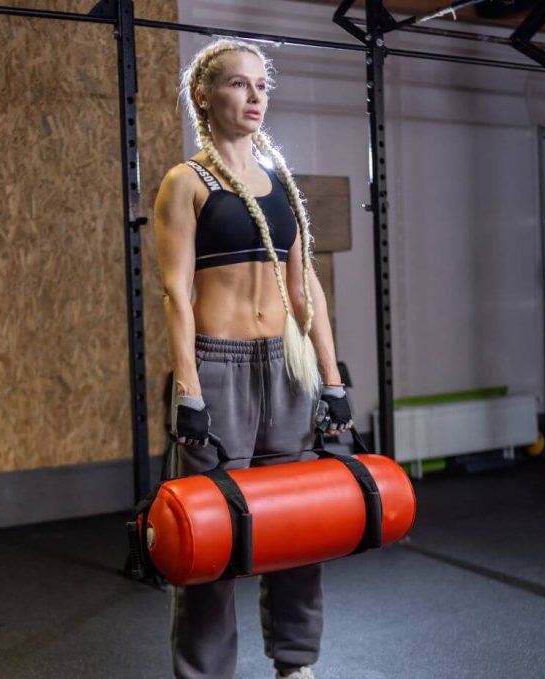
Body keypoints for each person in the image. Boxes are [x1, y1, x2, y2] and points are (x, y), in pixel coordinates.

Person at [152, 38, 354, 679]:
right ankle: (207, 674)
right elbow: (176, 294)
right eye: (239, 85)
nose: (255, 96)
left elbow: (307, 290)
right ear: (205, 97)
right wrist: (188, 389)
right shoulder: (187, 183)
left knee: (297, 524)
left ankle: (295, 663)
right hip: (219, 367)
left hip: (285, 368)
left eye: (262, 85)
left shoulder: (281, 184)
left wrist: (331, 377)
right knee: (210, 529)